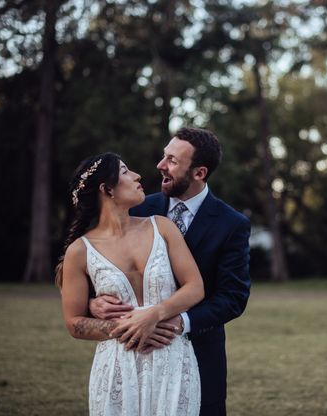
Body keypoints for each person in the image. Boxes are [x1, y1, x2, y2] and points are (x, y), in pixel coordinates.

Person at [90, 128, 251, 416]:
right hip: (133, 355)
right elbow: (101, 262)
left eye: (173, 160)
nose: (160, 165)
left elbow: (233, 297)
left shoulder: (231, 224)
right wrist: (94, 301)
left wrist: (179, 323)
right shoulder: (138, 208)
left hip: (200, 354)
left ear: (199, 173)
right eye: (164, 155)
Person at [56, 152, 204, 416]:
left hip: (173, 360)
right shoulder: (80, 251)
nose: (137, 176)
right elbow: (74, 323)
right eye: (125, 171)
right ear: (107, 189)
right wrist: (128, 327)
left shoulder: (162, 227)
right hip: (117, 367)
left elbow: (195, 287)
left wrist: (154, 315)